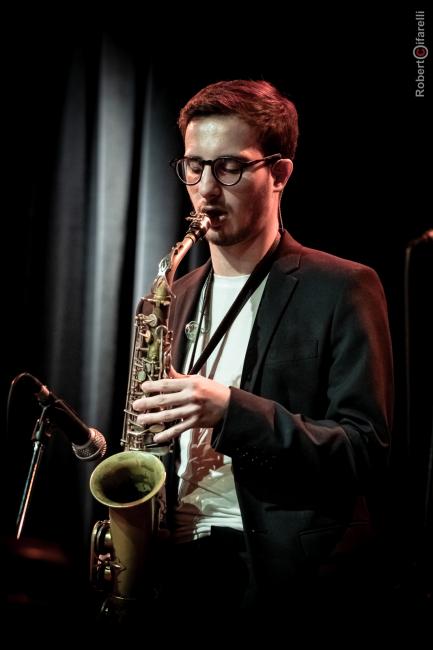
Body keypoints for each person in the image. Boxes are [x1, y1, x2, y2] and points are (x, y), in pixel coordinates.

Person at [132, 80, 394, 620]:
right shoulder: (172, 296)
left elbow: (364, 450)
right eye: (193, 166)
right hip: (175, 567)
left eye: (229, 167)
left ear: (279, 173)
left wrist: (233, 409)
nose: (205, 189)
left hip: (277, 574)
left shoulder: (342, 286)